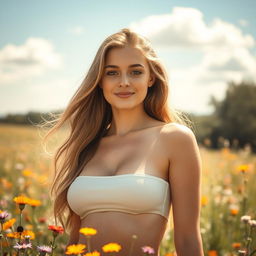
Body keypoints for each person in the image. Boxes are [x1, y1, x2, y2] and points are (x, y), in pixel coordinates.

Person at [43, 28, 204, 256]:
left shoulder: (174, 138)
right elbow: (75, 241)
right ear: (99, 81)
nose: (124, 82)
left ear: (151, 78)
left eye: (135, 72)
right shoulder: (86, 143)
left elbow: (188, 240)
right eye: (112, 73)